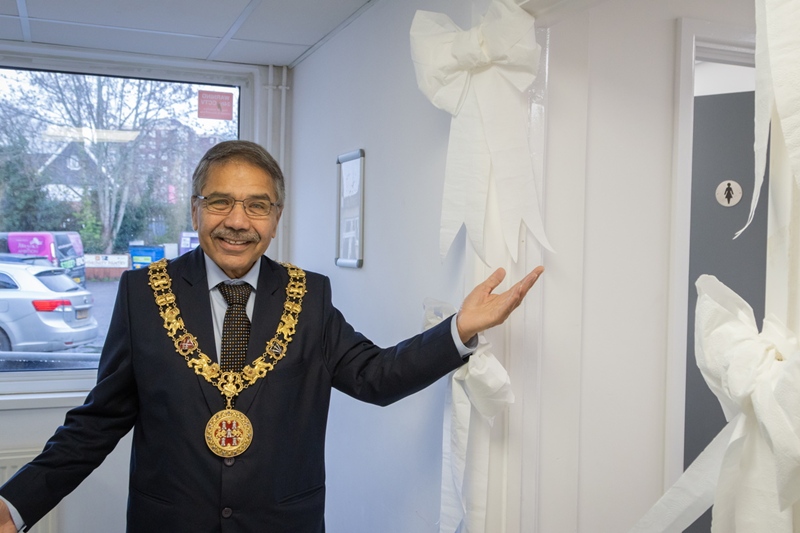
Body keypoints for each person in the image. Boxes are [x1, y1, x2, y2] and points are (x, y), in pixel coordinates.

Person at [0, 140, 544, 533]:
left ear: (275, 217)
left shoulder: (310, 297)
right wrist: (16, 504)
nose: (238, 220)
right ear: (196, 209)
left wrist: (459, 332)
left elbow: (375, 377)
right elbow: (97, 424)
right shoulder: (143, 294)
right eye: (220, 202)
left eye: (256, 205)